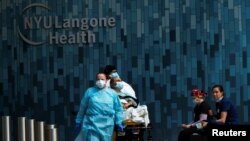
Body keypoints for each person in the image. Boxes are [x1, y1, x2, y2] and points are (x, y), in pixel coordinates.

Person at [74, 72, 124, 141]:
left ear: (106, 81)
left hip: (107, 125)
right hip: (92, 124)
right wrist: (78, 121)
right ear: (95, 80)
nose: (100, 81)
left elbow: (118, 109)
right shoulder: (90, 92)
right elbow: (82, 107)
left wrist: (118, 122)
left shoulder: (112, 93)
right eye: (98, 79)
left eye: (102, 79)